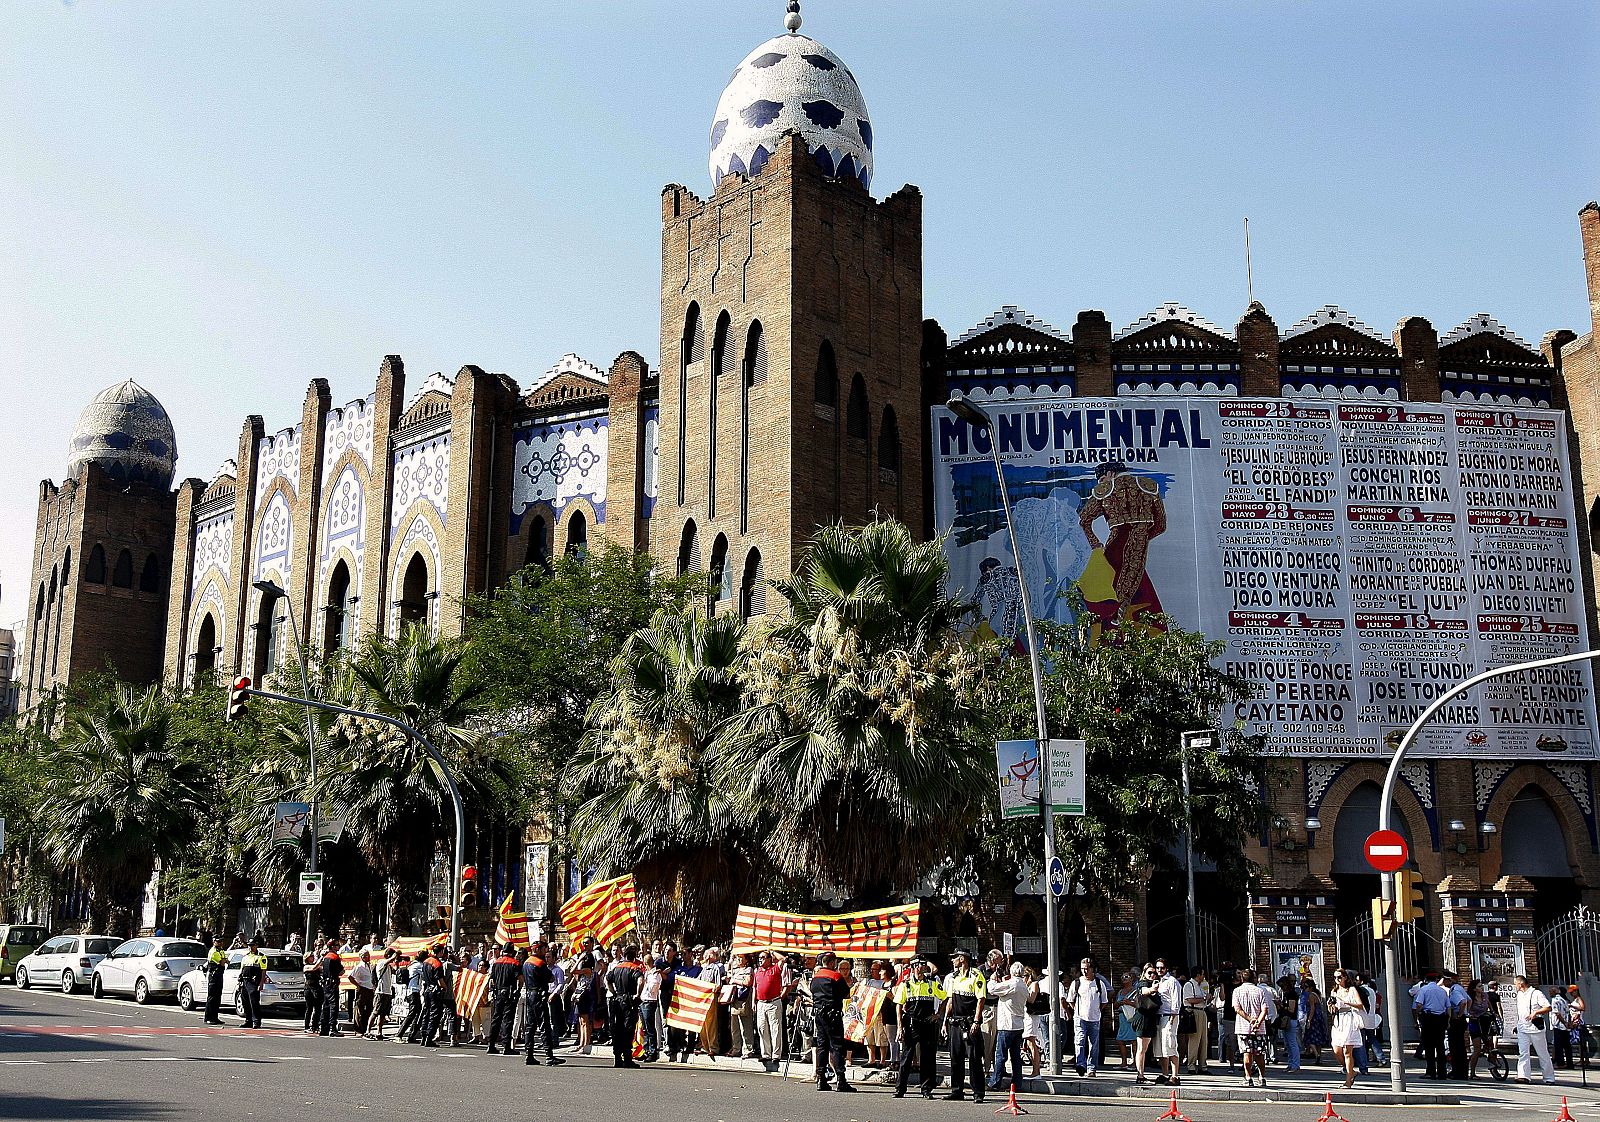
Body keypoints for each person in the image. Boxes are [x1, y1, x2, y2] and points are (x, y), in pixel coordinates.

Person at [894, 957, 945, 1099]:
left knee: (927, 1057)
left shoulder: (932, 983)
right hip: (911, 1024)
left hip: (927, 1023)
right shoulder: (906, 985)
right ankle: (900, 1089)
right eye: (918, 965)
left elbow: (945, 997)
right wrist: (899, 1027)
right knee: (906, 1057)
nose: (921, 968)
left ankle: (926, 1089)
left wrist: (938, 1015)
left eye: (923, 965)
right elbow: (898, 1005)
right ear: (913, 967)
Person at [942, 948, 987, 1103]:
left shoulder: (976, 976)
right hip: (955, 1022)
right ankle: (957, 1090)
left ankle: (978, 1092)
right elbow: (950, 1000)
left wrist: (976, 1021)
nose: (952, 960)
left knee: (974, 1058)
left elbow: (980, 1000)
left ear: (962, 959)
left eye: (954, 957)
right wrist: (945, 1022)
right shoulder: (953, 977)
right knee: (955, 1057)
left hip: (969, 1023)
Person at [808, 951, 854, 1092]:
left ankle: (821, 1079)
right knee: (837, 1047)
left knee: (822, 1046)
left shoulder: (815, 977)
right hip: (832, 1014)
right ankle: (841, 1079)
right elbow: (846, 993)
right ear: (832, 962)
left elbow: (812, 992)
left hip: (819, 1014)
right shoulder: (835, 976)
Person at [986, 962, 1029, 1092]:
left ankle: (995, 1082)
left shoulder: (1012, 984)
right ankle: (1017, 1084)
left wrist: (993, 979)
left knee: (1001, 1055)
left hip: (1007, 1024)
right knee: (1015, 1057)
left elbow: (992, 989)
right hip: (1018, 1024)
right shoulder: (1023, 985)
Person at [1065, 957, 1111, 1077]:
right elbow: (1070, 1000)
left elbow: (1104, 1001)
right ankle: (1080, 1064)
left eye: (1087, 969)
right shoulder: (1077, 983)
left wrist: (1097, 1010)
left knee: (1093, 1045)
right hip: (1080, 1018)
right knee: (1079, 1041)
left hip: (1095, 1019)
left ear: (1092, 969)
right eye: (1082, 969)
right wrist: (1076, 1010)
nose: (1085, 971)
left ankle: (1091, 1068)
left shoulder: (1099, 983)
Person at [522, 943, 565, 1067]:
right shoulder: (539, 964)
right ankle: (549, 1055)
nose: (545, 952)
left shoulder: (526, 963)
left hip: (530, 994)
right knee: (544, 1025)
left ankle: (529, 1054)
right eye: (543, 949)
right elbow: (550, 978)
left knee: (530, 1027)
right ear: (538, 949)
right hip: (539, 995)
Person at [1232, 968, 1275, 1088]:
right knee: (1259, 1053)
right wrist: (1258, 1022)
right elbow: (1265, 1009)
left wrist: (1250, 1019)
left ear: (1242, 978)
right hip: (1259, 1029)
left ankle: (1248, 1077)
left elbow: (1237, 1009)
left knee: (1247, 1053)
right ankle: (1261, 1077)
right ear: (1254, 978)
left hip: (1243, 1027)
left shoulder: (1237, 991)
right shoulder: (1261, 991)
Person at [605, 945, 643, 1069]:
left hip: (617, 1000)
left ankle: (617, 1058)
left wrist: (613, 992)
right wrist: (637, 995)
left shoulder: (616, 968)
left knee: (617, 1029)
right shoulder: (634, 968)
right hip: (628, 1001)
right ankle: (627, 1058)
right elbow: (641, 981)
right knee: (628, 1030)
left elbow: (607, 979)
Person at [1328, 969, 1367, 1088]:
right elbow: (1332, 1010)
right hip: (1338, 1020)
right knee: (1336, 1050)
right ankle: (1350, 1071)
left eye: (1339, 977)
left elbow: (1360, 1005)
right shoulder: (1334, 991)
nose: (1337, 980)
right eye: (1335, 978)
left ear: (1345, 977)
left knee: (1347, 1051)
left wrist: (1346, 1002)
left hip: (1349, 1019)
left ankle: (1348, 1081)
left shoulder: (1351, 990)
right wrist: (1331, 1006)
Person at [1514, 974, 1556, 1084]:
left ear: (1521, 984)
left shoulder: (1536, 993)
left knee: (1542, 1053)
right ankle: (1523, 1076)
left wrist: (1536, 1012)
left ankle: (1549, 1077)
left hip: (1535, 1028)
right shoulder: (1519, 995)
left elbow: (1548, 1007)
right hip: (1523, 1028)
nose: (1515, 986)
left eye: (1516, 984)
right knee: (1523, 1053)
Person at [753, 949, 790, 1070]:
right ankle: (766, 1054)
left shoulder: (775, 969)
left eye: (763, 957)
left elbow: (784, 959)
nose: (761, 960)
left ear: (770, 959)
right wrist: (754, 1002)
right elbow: (755, 987)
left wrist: (772, 951)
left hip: (774, 1002)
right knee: (762, 1028)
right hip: (761, 1003)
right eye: (760, 958)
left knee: (775, 1029)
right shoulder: (757, 971)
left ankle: (776, 1054)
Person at [1413, 971, 1451, 1079]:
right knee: (1440, 1046)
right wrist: (1447, 1021)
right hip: (1441, 1019)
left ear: (1426, 980)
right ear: (1435, 980)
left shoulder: (1424, 990)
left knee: (1429, 1047)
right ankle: (1442, 1072)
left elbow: (1419, 1005)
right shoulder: (1442, 991)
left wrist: (1418, 1016)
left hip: (1428, 1019)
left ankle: (1431, 1072)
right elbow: (1448, 1007)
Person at [485, 943, 522, 1054]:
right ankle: (506, 1046)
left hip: (498, 993)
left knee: (496, 1018)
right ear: (512, 952)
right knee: (508, 1019)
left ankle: (491, 1044)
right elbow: (520, 979)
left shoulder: (496, 963)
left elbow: (492, 980)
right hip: (509, 993)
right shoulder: (515, 963)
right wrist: (518, 991)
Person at [1152, 958, 1183, 1086]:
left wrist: (1172, 1018)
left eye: (1162, 967)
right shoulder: (1157, 981)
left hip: (1169, 1016)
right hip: (1158, 1016)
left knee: (1170, 1046)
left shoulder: (1172, 982)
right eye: (1157, 967)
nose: (1159, 970)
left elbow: (1176, 1002)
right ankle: (1165, 1074)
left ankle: (1175, 1076)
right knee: (1161, 1048)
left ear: (1166, 968)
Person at [1133, 964, 1160, 1083]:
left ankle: (1141, 1075)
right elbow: (1144, 991)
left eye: (1154, 973)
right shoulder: (1142, 983)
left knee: (1144, 1048)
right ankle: (1140, 1076)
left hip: (1150, 1018)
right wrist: (1153, 989)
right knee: (1141, 1048)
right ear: (1144, 973)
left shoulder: (1152, 983)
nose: (1152, 975)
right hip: (1143, 1018)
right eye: (1149, 973)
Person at [1182, 967, 1211, 1075]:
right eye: (1202, 974)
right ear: (1198, 975)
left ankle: (1203, 1066)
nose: (1203, 976)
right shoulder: (1189, 985)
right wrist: (1204, 998)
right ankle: (1191, 1065)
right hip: (1194, 1011)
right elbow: (1189, 999)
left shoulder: (1200, 986)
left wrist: (1207, 998)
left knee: (1204, 1040)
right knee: (1194, 1040)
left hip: (1202, 1011)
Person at [638, 956, 666, 1062]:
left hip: (650, 1001)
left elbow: (653, 988)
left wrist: (646, 983)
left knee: (650, 1028)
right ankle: (646, 1050)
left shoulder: (655, 974)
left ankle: (653, 1051)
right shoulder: (646, 973)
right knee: (645, 1028)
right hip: (643, 1000)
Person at [1466, 979, 1493, 1077]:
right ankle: (1472, 1072)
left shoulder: (1485, 996)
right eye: (1479, 986)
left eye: (1482, 986)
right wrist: (1470, 1015)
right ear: (1474, 989)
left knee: (1490, 1045)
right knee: (1477, 1049)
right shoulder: (1470, 998)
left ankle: (1494, 1064)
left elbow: (1489, 1006)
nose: (1481, 988)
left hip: (1484, 1022)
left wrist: (1493, 1013)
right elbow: (1467, 1010)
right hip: (1475, 1023)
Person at [1445, 969, 1470, 1078]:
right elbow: (1469, 1000)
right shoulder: (1460, 988)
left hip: (1457, 1020)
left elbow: (1463, 1002)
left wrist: (1459, 1014)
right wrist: (1466, 1013)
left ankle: (1457, 1072)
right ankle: (1463, 1072)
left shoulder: (1455, 990)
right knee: (1461, 1046)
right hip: (1462, 1019)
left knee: (1455, 1047)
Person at [317, 938, 345, 1037]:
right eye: (337, 945)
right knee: (333, 1005)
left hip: (325, 983)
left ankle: (324, 1028)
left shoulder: (326, 957)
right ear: (332, 946)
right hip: (333, 983)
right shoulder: (335, 957)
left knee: (326, 1005)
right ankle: (333, 1028)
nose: (338, 947)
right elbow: (341, 971)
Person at [369, 949, 397, 1041]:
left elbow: (396, 971)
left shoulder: (388, 966)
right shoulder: (381, 963)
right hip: (380, 991)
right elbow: (389, 960)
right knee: (375, 1012)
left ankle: (379, 1032)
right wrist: (395, 955)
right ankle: (368, 1031)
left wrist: (396, 962)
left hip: (387, 992)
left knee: (382, 1014)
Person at [238, 940, 266, 1029]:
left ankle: (256, 1021)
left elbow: (263, 971)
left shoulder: (261, 957)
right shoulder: (245, 957)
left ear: (256, 945)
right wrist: (240, 980)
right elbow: (242, 969)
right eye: (249, 945)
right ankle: (248, 1020)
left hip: (254, 982)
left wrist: (261, 983)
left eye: (252, 945)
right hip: (245, 981)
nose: (250, 947)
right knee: (245, 1001)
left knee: (254, 1002)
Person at [1114, 971, 1138, 1068]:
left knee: (1134, 1040)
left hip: (1131, 1017)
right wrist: (1120, 1003)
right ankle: (1124, 1061)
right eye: (1122, 977)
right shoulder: (1120, 991)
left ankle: (1135, 1062)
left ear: (1132, 978)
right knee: (1120, 1040)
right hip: (1122, 1017)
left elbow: (1138, 1005)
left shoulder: (1136, 991)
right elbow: (1115, 1005)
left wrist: (1129, 1003)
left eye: (1126, 977)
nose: (1124, 978)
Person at [203, 935, 226, 1026]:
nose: (220, 943)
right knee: (212, 997)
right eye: (218, 941)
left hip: (219, 974)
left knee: (217, 997)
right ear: (214, 942)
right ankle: (208, 1017)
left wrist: (224, 960)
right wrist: (224, 961)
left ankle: (215, 1017)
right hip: (213, 975)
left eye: (221, 941)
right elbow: (222, 962)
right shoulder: (214, 951)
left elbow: (224, 961)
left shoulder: (221, 951)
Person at [1551, 985, 1573, 1068]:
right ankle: (1569, 1063)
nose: (1549, 993)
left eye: (1551, 992)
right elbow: (1568, 1012)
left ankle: (1561, 1063)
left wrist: (1564, 1022)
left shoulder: (1555, 1000)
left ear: (1555, 992)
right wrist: (1569, 1023)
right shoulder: (1564, 1000)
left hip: (1559, 1025)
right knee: (1567, 1046)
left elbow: (1557, 1013)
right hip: (1565, 1026)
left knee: (1558, 1046)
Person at [302, 951, 323, 1035]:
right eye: (311, 956)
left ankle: (315, 1025)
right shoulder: (306, 967)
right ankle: (307, 1026)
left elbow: (320, 968)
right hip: (309, 988)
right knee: (309, 1008)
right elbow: (314, 967)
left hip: (317, 987)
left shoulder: (317, 966)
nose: (312, 957)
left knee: (318, 1008)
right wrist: (321, 957)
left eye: (313, 956)